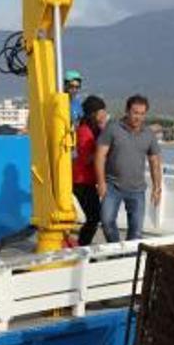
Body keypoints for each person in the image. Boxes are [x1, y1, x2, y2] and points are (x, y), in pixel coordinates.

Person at [94, 94, 162, 242]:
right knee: (106, 222)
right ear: (127, 111)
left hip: (137, 190)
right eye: (135, 113)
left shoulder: (149, 134)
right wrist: (101, 182)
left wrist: (157, 187)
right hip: (112, 186)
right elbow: (100, 156)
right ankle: (116, 249)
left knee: (136, 231)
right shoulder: (113, 128)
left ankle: (129, 258)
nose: (138, 117)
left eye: (142, 114)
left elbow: (155, 162)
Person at [72, 95, 109, 246]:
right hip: (81, 181)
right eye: (102, 111)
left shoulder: (96, 130)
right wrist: (101, 151)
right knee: (94, 217)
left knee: (94, 217)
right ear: (93, 113)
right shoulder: (84, 132)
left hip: (89, 181)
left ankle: (82, 245)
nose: (105, 114)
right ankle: (82, 246)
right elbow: (86, 159)